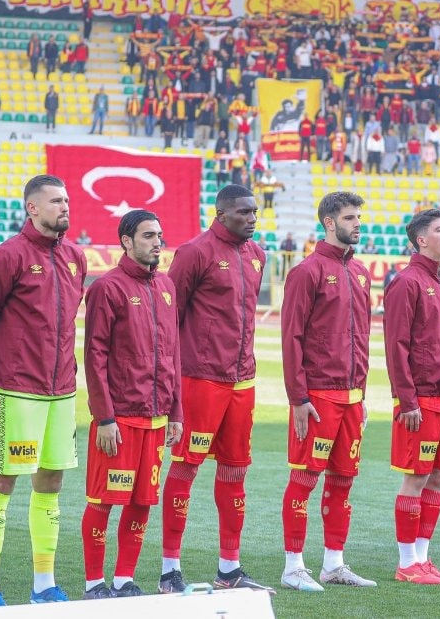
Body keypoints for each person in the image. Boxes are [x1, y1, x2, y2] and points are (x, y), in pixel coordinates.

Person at [0, 176, 87, 607]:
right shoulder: (6, 257)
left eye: (67, 199)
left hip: (62, 392)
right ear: (32, 208)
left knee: (52, 482)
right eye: (56, 200)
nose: (65, 206)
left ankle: (44, 584)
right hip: (16, 390)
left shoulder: (75, 257)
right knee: (3, 481)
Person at [160, 185, 272, 593]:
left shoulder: (258, 255)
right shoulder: (195, 252)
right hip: (200, 377)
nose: (252, 218)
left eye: (255, 211)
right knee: (186, 466)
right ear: (221, 214)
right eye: (243, 212)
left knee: (235, 470)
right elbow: (169, 317)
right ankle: (169, 569)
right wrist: (170, 376)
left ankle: (230, 569)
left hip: (243, 380)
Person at [81, 210, 183, 599]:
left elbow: (173, 354)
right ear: (127, 241)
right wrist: (104, 417)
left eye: (159, 235)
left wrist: (176, 412)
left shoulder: (167, 286)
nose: (158, 242)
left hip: (156, 419)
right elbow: (95, 357)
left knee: (142, 502)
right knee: (104, 500)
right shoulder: (107, 288)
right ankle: (94, 583)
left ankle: (124, 579)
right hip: (119, 419)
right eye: (148, 236)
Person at [278, 192, 377, 592]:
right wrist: (298, 398)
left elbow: (361, 339)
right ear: (329, 223)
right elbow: (291, 338)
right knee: (304, 479)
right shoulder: (307, 271)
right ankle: (293, 566)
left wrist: (361, 394)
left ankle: (333, 564)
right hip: (317, 397)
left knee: (343, 481)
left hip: (351, 398)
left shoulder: (361, 273)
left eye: (358, 217)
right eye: (350, 218)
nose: (358, 223)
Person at [384, 208, 440, 585]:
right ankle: (406, 563)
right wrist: (407, 400)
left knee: (439, 478)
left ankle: (422, 558)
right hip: (421, 400)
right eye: (439, 230)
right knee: (416, 478)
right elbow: (396, 346)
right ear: (421, 240)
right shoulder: (406, 282)